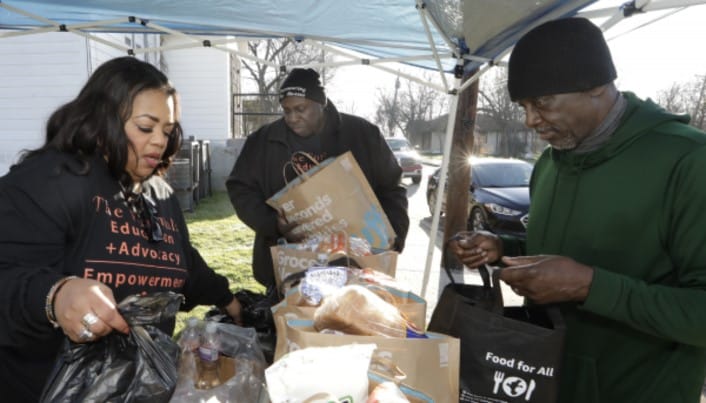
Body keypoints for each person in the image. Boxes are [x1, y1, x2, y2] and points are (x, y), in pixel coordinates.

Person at [449, 18, 706, 403]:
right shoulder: (550, 164)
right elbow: (566, 250)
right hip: (545, 381)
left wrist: (589, 286)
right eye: (523, 106)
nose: (530, 120)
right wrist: (503, 248)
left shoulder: (689, 161)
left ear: (596, 86)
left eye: (542, 102)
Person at [0, 56, 243, 402]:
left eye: (168, 131)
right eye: (146, 127)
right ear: (101, 119)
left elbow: (179, 262)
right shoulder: (49, 181)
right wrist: (54, 295)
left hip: (139, 388)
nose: (160, 141)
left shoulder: (159, 193)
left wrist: (226, 298)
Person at [226, 68, 409, 292]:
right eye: (286, 111)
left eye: (300, 109)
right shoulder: (263, 141)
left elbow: (392, 188)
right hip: (289, 270)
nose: (292, 118)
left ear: (321, 103)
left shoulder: (363, 134)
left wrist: (394, 237)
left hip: (356, 269)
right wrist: (272, 224)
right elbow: (239, 189)